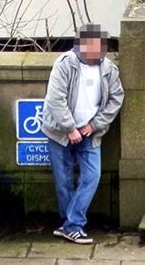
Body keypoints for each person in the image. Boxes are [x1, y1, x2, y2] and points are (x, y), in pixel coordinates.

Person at [41, 23, 124, 244]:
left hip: (90, 133)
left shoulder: (108, 69)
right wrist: (69, 129)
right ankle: (71, 225)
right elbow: (55, 100)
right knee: (63, 180)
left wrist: (95, 125)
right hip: (60, 132)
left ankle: (71, 224)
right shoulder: (65, 65)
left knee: (91, 176)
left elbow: (116, 99)